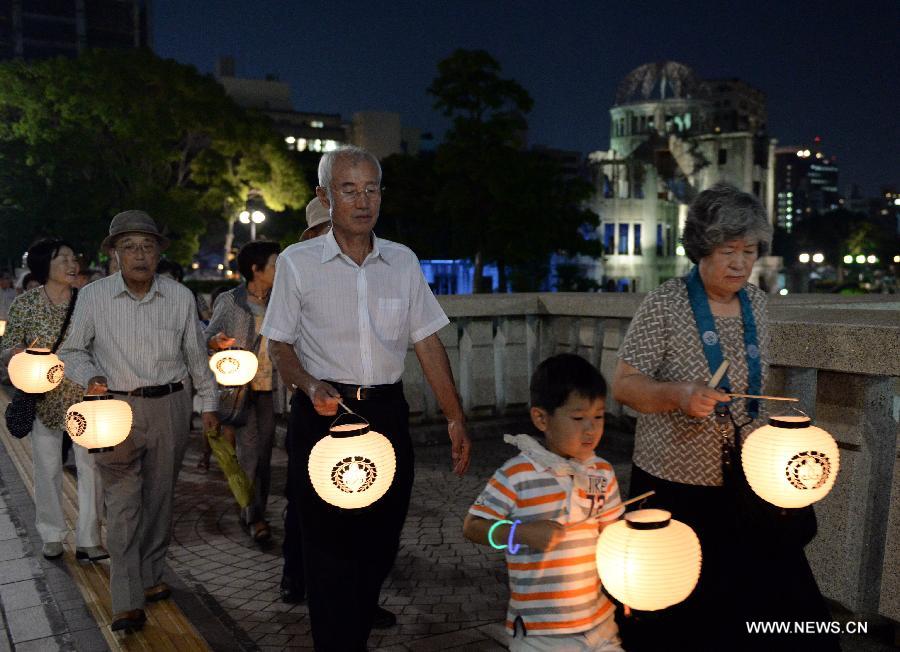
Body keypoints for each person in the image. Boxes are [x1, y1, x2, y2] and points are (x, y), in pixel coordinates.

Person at [262, 145, 472, 651]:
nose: (362, 200)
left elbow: (426, 340)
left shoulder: (401, 260)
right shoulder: (298, 262)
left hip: (386, 413)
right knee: (328, 545)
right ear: (324, 197)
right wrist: (310, 385)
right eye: (349, 189)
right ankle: (340, 642)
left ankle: (357, 613)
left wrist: (455, 418)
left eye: (371, 189)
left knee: (382, 536)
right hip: (321, 414)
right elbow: (279, 343)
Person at [611, 183, 836, 650]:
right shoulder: (665, 304)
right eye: (728, 250)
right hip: (676, 482)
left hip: (746, 480)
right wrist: (678, 394)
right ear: (701, 249)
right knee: (681, 608)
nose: (739, 262)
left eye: (749, 251)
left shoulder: (756, 304)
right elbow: (625, 384)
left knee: (769, 602)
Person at [58, 210, 219, 633]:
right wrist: (90, 376)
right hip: (116, 409)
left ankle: (150, 576)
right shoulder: (93, 297)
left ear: (158, 252)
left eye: (147, 246)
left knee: (161, 500)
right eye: (129, 247)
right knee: (124, 504)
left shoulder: (180, 297)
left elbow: (196, 358)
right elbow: (70, 351)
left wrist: (210, 405)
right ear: (114, 253)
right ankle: (126, 599)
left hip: (171, 406)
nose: (140, 255)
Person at [464, 354, 624, 652]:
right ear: (541, 418)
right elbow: (473, 527)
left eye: (599, 416)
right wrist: (519, 533)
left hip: (600, 623)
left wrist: (628, 586)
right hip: (540, 632)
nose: (591, 429)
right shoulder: (517, 474)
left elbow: (614, 536)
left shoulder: (602, 471)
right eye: (578, 418)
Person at [1, 239, 106, 562]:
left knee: (91, 468)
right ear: (45, 264)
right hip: (42, 398)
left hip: (85, 397)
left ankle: (90, 539)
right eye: (64, 259)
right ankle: (51, 534)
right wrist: (17, 354)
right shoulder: (26, 303)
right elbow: (6, 348)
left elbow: (102, 345)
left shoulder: (88, 301)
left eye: (74, 258)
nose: (72, 265)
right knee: (47, 468)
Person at [205, 240, 283, 543]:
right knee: (249, 453)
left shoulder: (282, 299)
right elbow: (208, 338)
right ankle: (254, 516)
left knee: (264, 454)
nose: (279, 269)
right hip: (242, 390)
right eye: (275, 264)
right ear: (256, 268)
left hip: (273, 390)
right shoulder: (230, 301)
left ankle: (253, 507)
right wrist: (218, 343)